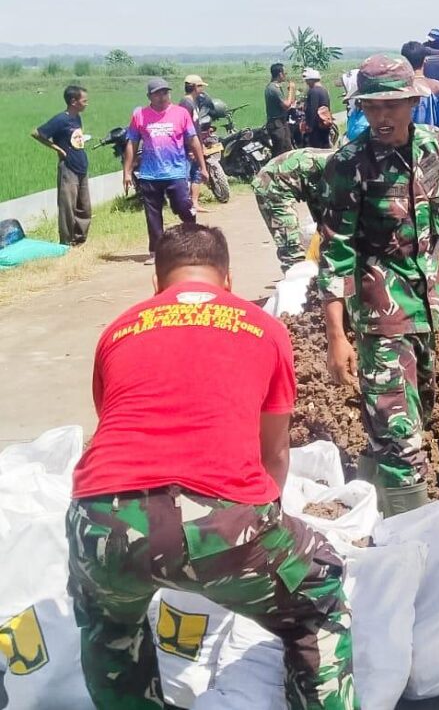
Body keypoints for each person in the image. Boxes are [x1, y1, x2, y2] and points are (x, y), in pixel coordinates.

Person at [66, 224, 357, 708]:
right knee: (318, 590)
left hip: (101, 518)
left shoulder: (118, 328)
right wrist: (262, 536)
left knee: (110, 626)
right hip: (222, 519)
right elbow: (275, 454)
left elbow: (115, 432)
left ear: (158, 285)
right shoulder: (263, 327)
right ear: (228, 280)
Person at [318, 55, 439, 514]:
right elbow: (336, 251)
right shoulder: (350, 164)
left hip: (428, 304)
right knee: (401, 432)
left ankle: (372, 503)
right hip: (380, 312)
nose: (381, 117)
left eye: (391, 106)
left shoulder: (436, 147)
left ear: (411, 102)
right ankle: (415, 538)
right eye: (371, 107)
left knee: (413, 415)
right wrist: (336, 336)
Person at [123, 78, 206, 263]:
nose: (162, 97)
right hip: (149, 173)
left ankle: (192, 239)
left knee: (183, 206)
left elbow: (193, 140)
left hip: (176, 172)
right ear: (149, 96)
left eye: (165, 92)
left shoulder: (181, 113)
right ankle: (157, 252)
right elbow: (132, 143)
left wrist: (203, 166)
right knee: (153, 215)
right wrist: (127, 172)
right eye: (157, 93)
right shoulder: (140, 116)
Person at [253, 147, 335, 271]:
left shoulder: (354, 163)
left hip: (305, 180)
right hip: (272, 184)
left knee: (326, 231)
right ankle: (297, 283)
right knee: (292, 249)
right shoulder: (347, 167)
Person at [31, 84, 91, 246]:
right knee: (67, 208)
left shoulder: (77, 117)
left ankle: (80, 240)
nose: (87, 103)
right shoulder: (60, 119)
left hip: (81, 165)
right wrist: (57, 148)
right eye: (84, 101)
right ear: (73, 101)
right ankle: (66, 242)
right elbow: (37, 133)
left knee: (84, 207)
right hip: (68, 168)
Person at [400, 41, 439, 143]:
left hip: (401, 151)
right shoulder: (438, 88)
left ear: (404, 61)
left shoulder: (397, 89)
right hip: (430, 149)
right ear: (425, 60)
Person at [179, 74, 208, 214]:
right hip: (188, 147)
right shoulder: (186, 103)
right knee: (187, 175)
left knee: (196, 173)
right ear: (195, 87)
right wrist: (190, 147)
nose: (202, 88)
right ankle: (185, 203)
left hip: (195, 145)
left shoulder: (193, 102)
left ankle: (195, 202)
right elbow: (184, 128)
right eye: (201, 86)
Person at [265, 63, 297, 156]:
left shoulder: (275, 87)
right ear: (280, 74)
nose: (285, 75)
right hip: (276, 124)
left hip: (281, 122)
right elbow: (286, 105)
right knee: (280, 151)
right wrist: (291, 89)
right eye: (284, 73)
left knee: (287, 148)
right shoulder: (273, 89)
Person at [301, 68, 333, 149]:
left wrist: (310, 126)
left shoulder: (313, 91)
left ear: (312, 80)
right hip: (324, 125)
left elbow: (313, 110)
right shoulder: (324, 90)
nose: (306, 82)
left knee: (315, 148)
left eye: (307, 80)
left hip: (316, 127)